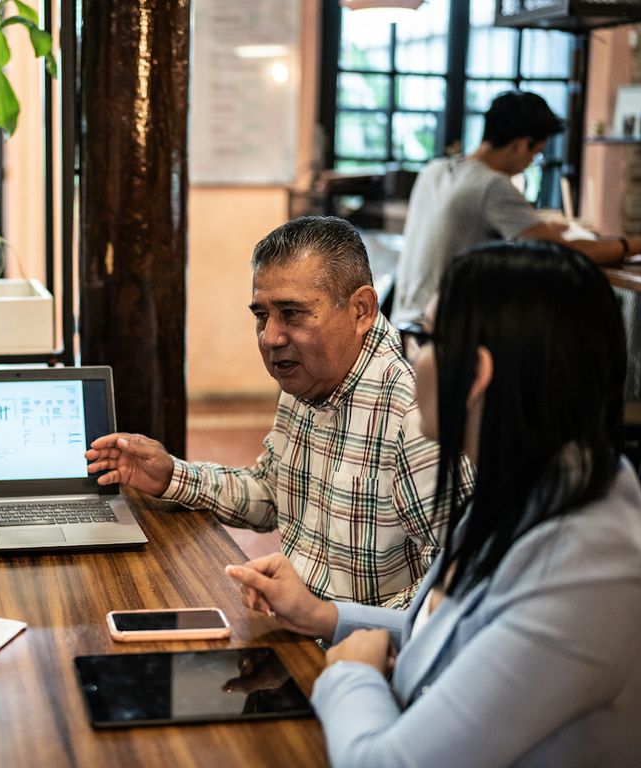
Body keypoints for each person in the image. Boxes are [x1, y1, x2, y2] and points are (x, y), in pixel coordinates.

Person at [228, 241, 641, 766]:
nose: (409, 355)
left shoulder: (591, 565)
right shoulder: (529, 482)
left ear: (474, 376)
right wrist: (324, 616)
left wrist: (349, 675)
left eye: (423, 338)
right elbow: (450, 635)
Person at [86, 216, 471, 609]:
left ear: (361, 310)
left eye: (292, 313)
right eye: (261, 315)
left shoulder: (416, 418)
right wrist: (172, 475)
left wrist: (329, 619)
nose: (270, 337)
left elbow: (456, 588)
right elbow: (272, 495)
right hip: (300, 629)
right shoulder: (308, 376)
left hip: (364, 657)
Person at [391, 90, 641, 324]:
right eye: (535, 152)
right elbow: (563, 253)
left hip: (405, 322)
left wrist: (542, 227)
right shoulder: (492, 184)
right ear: (520, 144)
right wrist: (638, 245)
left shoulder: (435, 169)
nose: (531, 162)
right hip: (442, 332)